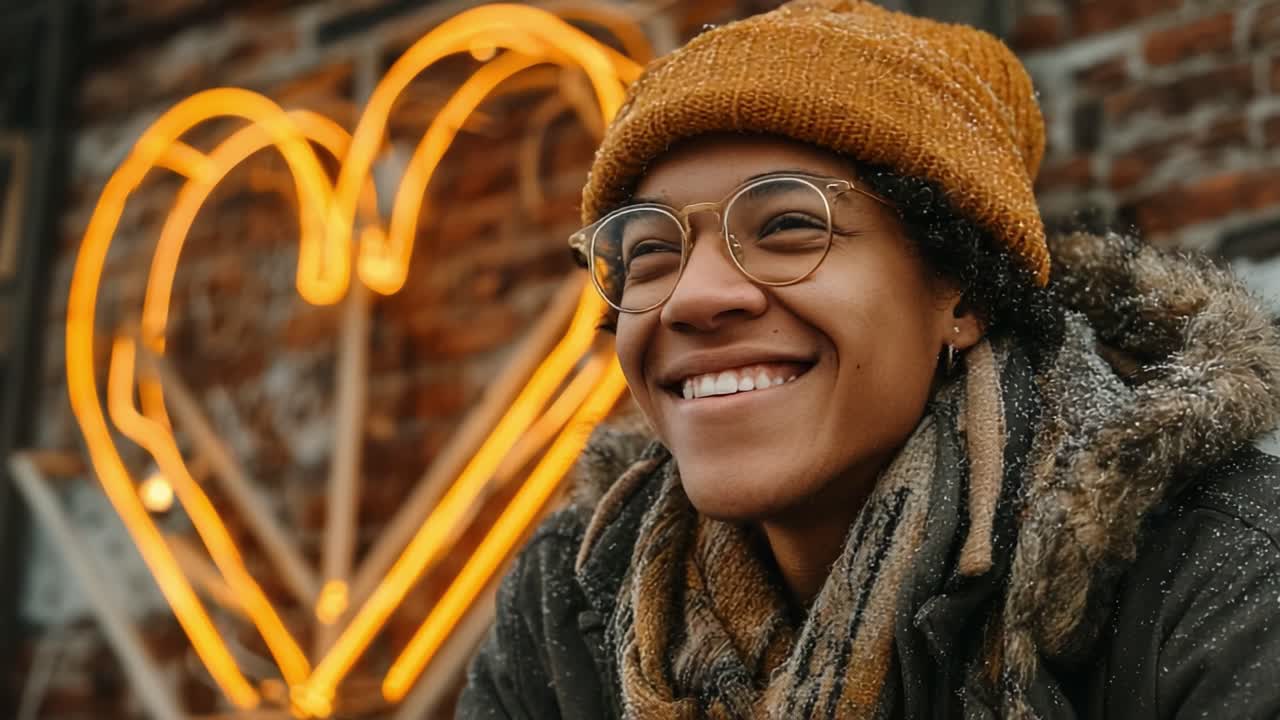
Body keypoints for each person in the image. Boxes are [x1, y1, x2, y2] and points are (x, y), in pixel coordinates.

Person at [456, 0, 1280, 717]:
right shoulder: (571, 602)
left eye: (787, 227)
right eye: (647, 252)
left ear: (961, 294)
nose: (692, 297)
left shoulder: (1221, 576)